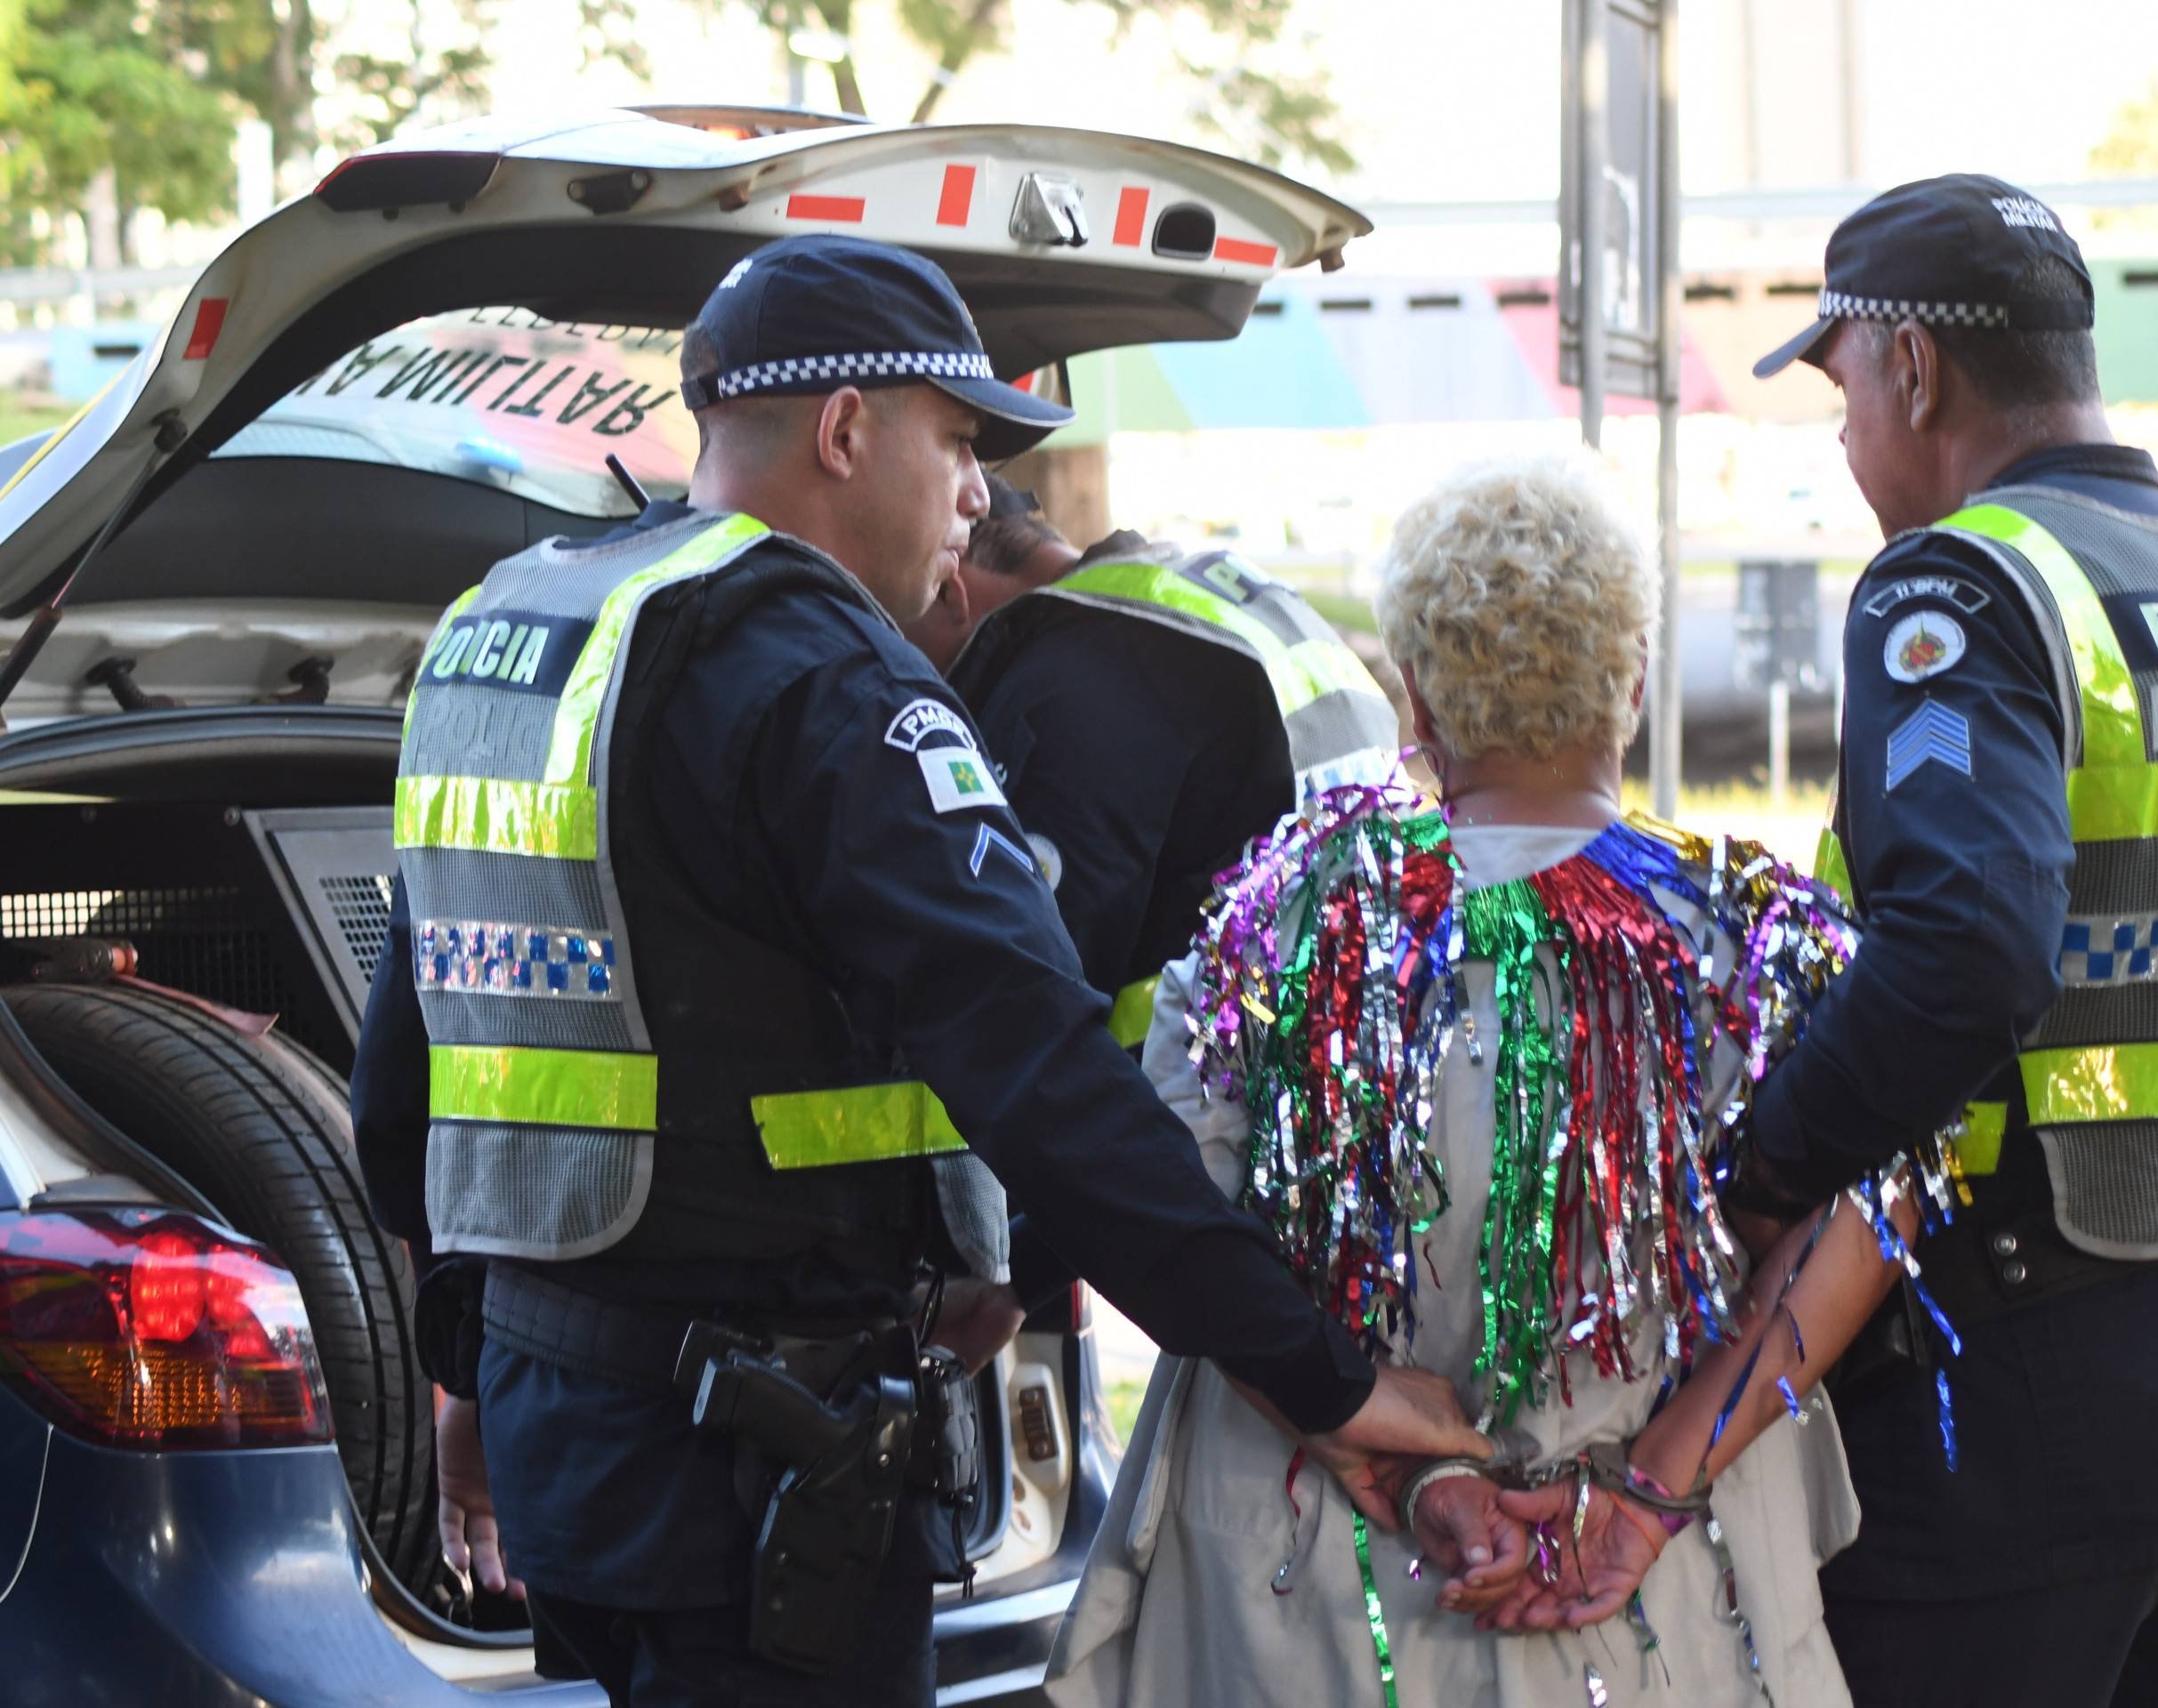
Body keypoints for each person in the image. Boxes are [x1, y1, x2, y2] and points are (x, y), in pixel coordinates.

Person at [349, 233, 1484, 1708]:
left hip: (559, 1439)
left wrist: (468, 1375)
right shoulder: (826, 677)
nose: (975, 496)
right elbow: (1040, 1072)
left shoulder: (522, 624)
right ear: (844, 431)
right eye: (957, 443)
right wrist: (1320, 1378)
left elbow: (409, 1079)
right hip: (760, 1480)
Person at [1047, 452, 1945, 1707]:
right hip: (1662, 1624)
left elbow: (1175, 1231)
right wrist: (1651, 1487)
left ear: (1413, 696)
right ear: (1634, 681)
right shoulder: (1754, 944)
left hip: (1308, 1615)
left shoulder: (1280, 929)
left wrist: (1403, 1456)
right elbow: (1876, 1196)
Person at [1739, 175, 2158, 1705]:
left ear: (1913, 367)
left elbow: (1965, 945)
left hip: (2018, 1425)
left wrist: (1761, 1171)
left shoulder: (1959, 590)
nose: (1844, 437)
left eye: (1842, 387)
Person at [898, 479, 1403, 1333]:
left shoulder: (1066, 675)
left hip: (1251, 1206)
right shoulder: (1215, 602)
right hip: (1367, 1160)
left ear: (954, 587)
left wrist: (1009, 1279)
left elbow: (1029, 1028)